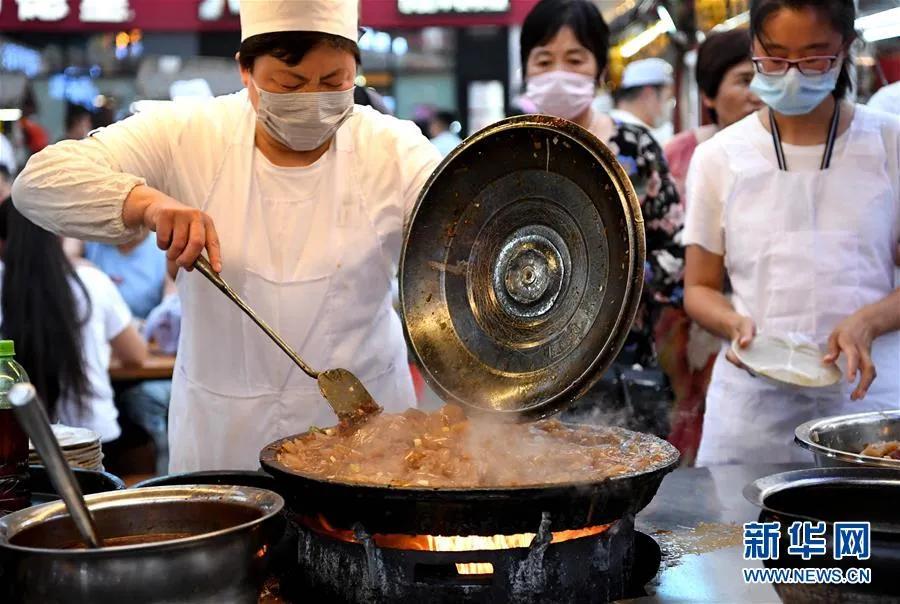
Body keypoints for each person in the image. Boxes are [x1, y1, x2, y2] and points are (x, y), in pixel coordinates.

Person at [12, 0, 442, 472]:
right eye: (291, 84)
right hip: (224, 437)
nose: (314, 99)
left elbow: (463, 229)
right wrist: (148, 204)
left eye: (334, 82)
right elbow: (39, 183)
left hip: (369, 439)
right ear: (245, 70)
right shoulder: (187, 134)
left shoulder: (394, 148)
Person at [683, 0, 900, 465]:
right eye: (776, 58)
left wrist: (869, 321)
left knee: (863, 534)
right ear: (754, 45)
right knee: (744, 533)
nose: (794, 75)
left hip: (868, 407)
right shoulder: (720, 157)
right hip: (752, 410)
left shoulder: (889, 142)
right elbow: (699, 287)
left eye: (815, 56)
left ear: (846, 48)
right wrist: (732, 323)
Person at [515, 0, 682, 435]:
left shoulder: (636, 148)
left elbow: (675, 253)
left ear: (600, 69)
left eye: (575, 59)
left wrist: (612, 283)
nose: (559, 71)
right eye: (544, 59)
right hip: (522, 375)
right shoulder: (505, 151)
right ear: (525, 69)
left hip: (624, 368)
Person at [657, 28, 762, 464]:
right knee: (691, 427)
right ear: (710, 93)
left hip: (754, 322)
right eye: (743, 79)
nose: (759, 92)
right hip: (688, 324)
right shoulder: (683, 153)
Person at [0, 201, 147, 443]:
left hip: (19, 446)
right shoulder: (92, 282)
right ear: (59, 237)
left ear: (2, 244)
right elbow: (136, 355)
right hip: (94, 443)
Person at [82, 234, 176, 474]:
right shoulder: (91, 246)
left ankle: (159, 468)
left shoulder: (162, 247)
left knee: (144, 397)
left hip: (147, 355)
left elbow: (171, 301)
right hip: (113, 357)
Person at [611, 58, 676, 145]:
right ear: (648, 94)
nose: (670, 103)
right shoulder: (623, 135)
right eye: (668, 97)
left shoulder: (609, 125)